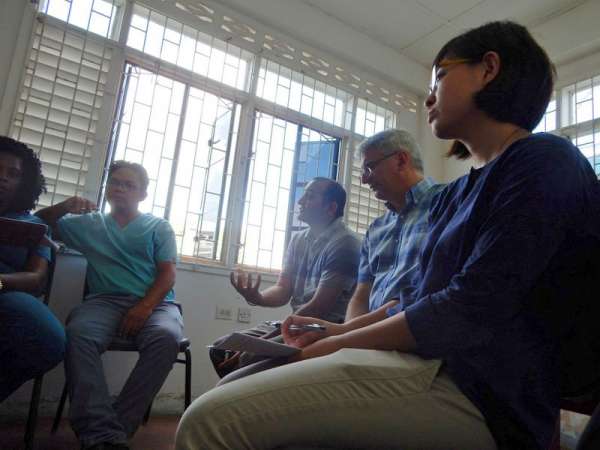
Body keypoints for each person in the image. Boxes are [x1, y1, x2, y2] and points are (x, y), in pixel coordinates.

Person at [175, 21, 600, 450]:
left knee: (211, 419)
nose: (430, 96)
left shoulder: (545, 160)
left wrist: (332, 343)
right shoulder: (457, 194)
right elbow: (417, 300)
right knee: (242, 378)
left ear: (488, 68)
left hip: (481, 390)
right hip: (427, 362)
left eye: (440, 76)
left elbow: (468, 308)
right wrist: (331, 334)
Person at [217, 130, 443, 385]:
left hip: (396, 336)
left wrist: (346, 334)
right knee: (225, 357)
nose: (363, 179)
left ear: (401, 161)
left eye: (370, 167)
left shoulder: (446, 204)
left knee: (244, 368)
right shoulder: (377, 228)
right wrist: (354, 336)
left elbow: (416, 296)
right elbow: (361, 294)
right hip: (352, 331)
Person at [37, 161, 183, 450]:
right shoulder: (89, 224)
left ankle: (111, 432)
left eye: (129, 185)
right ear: (107, 189)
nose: (120, 188)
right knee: (78, 334)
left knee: (166, 339)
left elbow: (168, 274)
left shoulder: (158, 226)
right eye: (115, 182)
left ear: (142, 194)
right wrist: (66, 205)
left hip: (156, 304)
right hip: (103, 302)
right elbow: (37, 223)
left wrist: (144, 307)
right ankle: (102, 434)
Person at [210, 177, 360, 380]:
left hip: (322, 328)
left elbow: (318, 308)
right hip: (295, 323)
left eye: (310, 196)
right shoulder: (298, 239)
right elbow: (283, 288)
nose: (300, 202)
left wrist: (261, 341)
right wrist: (257, 297)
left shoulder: (346, 244)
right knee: (221, 349)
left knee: (244, 358)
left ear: (331, 208)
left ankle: (251, 405)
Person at [0, 136, 65, 402]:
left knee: (49, 338)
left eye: (12, 173)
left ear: (24, 182)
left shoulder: (34, 225)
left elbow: (37, 279)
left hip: (7, 292)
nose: (2, 179)